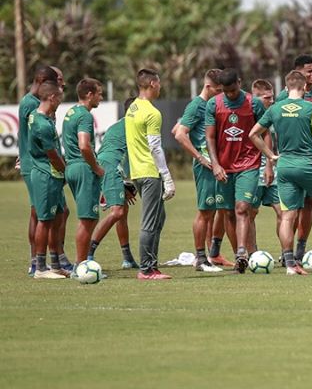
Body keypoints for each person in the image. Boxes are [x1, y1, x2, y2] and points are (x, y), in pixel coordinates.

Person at [250, 70, 312, 275]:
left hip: (285, 165)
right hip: (309, 165)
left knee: (288, 216)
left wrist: (271, 155)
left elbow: (253, 134)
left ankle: (290, 263)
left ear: (286, 87)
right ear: (304, 87)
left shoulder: (275, 108)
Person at [205, 68, 267, 273]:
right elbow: (210, 137)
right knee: (228, 213)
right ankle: (238, 258)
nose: (230, 94)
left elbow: (266, 132)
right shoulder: (214, 104)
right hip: (224, 167)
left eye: (233, 90)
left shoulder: (254, 103)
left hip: (249, 164)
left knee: (242, 208)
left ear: (239, 83)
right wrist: (215, 164)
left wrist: (269, 161)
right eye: (226, 91)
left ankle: (242, 252)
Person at [172, 69, 224, 272]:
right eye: (218, 90)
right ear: (208, 86)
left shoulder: (212, 104)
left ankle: (210, 257)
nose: (221, 94)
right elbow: (179, 134)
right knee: (204, 212)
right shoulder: (197, 105)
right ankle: (200, 259)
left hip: (215, 165)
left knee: (212, 211)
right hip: (205, 167)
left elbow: (177, 128)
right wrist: (200, 157)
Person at [126, 69, 176, 280]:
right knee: (149, 221)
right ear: (153, 84)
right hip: (150, 172)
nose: (160, 87)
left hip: (137, 172)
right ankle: (146, 269)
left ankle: (152, 264)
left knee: (159, 217)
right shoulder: (152, 112)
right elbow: (155, 147)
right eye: (159, 83)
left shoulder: (132, 108)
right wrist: (167, 176)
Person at [18, 64, 62, 276]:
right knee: (39, 213)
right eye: (57, 82)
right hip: (39, 165)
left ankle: (54, 261)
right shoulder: (31, 104)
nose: (61, 86)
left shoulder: (41, 108)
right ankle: (37, 263)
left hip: (44, 165)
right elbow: (35, 138)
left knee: (57, 212)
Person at [87, 98, 138, 269]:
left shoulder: (117, 125)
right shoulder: (134, 125)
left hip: (107, 165)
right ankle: (88, 253)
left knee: (123, 211)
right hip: (111, 167)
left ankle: (127, 258)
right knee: (117, 212)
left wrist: (123, 182)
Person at [62, 78, 106, 268]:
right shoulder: (85, 116)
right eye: (99, 94)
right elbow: (84, 146)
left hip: (71, 167)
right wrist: (96, 168)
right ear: (89, 95)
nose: (101, 98)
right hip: (83, 168)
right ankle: (80, 266)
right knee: (88, 219)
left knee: (89, 218)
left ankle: (82, 263)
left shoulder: (71, 112)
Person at [29, 81, 69, 279]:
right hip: (47, 175)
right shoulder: (42, 124)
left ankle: (55, 265)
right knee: (44, 220)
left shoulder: (38, 116)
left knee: (58, 217)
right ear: (52, 97)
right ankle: (40, 268)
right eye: (59, 98)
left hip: (53, 175)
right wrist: (66, 172)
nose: (61, 101)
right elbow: (52, 155)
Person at [251, 78, 281, 250]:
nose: (271, 101)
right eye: (267, 98)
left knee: (282, 212)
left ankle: (286, 253)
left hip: (274, 170)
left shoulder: (274, 114)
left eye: (272, 97)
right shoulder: (250, 115)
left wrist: (270, 165)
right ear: (255, 98)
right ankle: (252, 252)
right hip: (254, 170)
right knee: (251, 213)